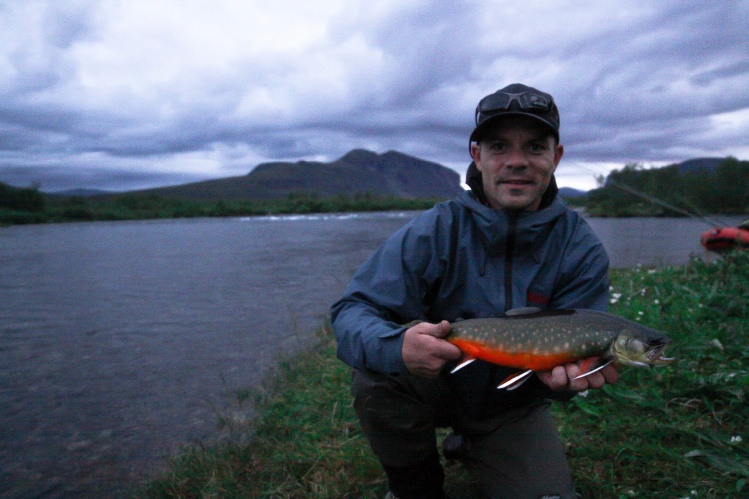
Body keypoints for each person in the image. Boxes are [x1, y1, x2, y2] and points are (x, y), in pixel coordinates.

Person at [330, 83, 619, 499]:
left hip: (516, 407)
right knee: (376, 376)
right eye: (499, 147)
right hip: (438, 382)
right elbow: (353, 310)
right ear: (477, 156)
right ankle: (417, 487)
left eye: (535, 147)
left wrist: (569, 379)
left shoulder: (580, 247)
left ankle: (476, 442)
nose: (517, 162)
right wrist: (399, 348)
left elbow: (582, 350)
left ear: (555, 158)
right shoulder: (436, 228)